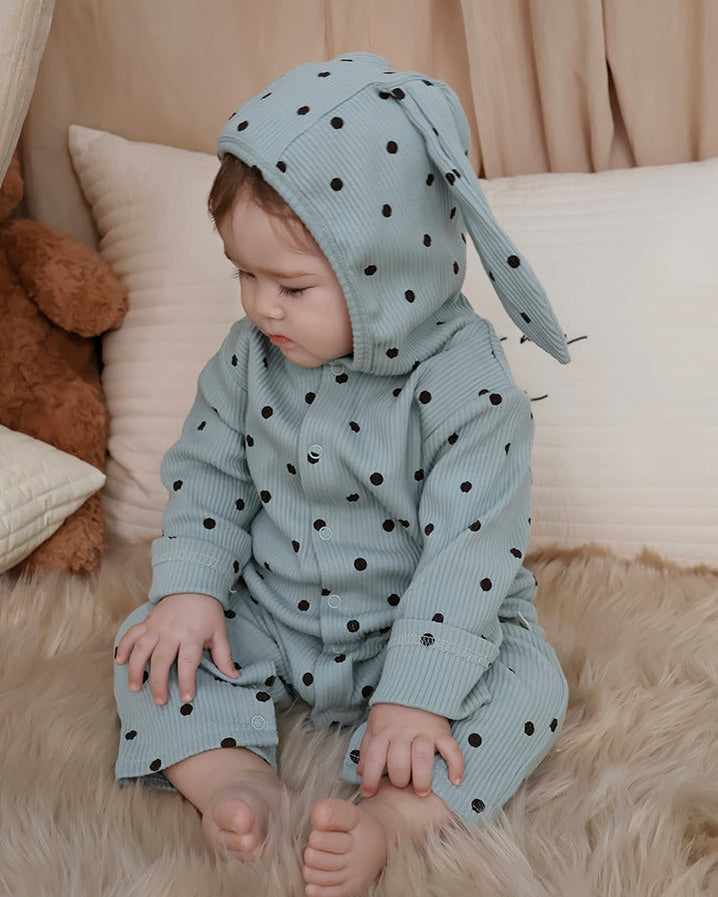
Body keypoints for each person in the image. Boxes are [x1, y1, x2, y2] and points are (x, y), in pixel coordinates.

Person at [113, 52, 570, 897]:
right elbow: (209, 476)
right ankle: (233, 776)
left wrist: (418, 693)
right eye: (244, 275)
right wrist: (191, 591)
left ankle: (393, 819)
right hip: (277, 613)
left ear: (387, 270)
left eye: (290, 285)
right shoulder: (249, 358)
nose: (261, 305)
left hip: (423, 625)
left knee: (530, 688)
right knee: (152, 645)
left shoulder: (466, 385)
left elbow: (471, 549)